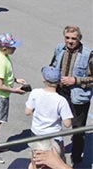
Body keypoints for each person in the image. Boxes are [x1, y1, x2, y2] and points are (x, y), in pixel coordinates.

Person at [48, 25, 93, 164]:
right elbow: (51, 66)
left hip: (78, 97)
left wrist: (75, 80)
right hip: (60, 93)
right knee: (53, 124)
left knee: (78, 131)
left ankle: (76, 158)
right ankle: (52, 155)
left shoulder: (88, 54)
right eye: (67, 38)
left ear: (79, 38)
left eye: (74, 38)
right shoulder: (59, 49)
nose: (70, 41)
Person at [0, 33, 27, 164]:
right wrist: (15, 90)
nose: (15, 49)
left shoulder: (1, 55)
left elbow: (2, 76)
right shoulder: (3, 61)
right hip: (0, 95)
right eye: (12, 47)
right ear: (4, 48)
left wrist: (14, 79)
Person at [24, 66, 73, 163]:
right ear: (59, 82)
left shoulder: (35, 93)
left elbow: (27, 112)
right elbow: (68, 124)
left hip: (36, 133)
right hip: (54, 137)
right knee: (56, 161)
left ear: (43, 79)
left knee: (37, 160)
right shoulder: (61, 100)